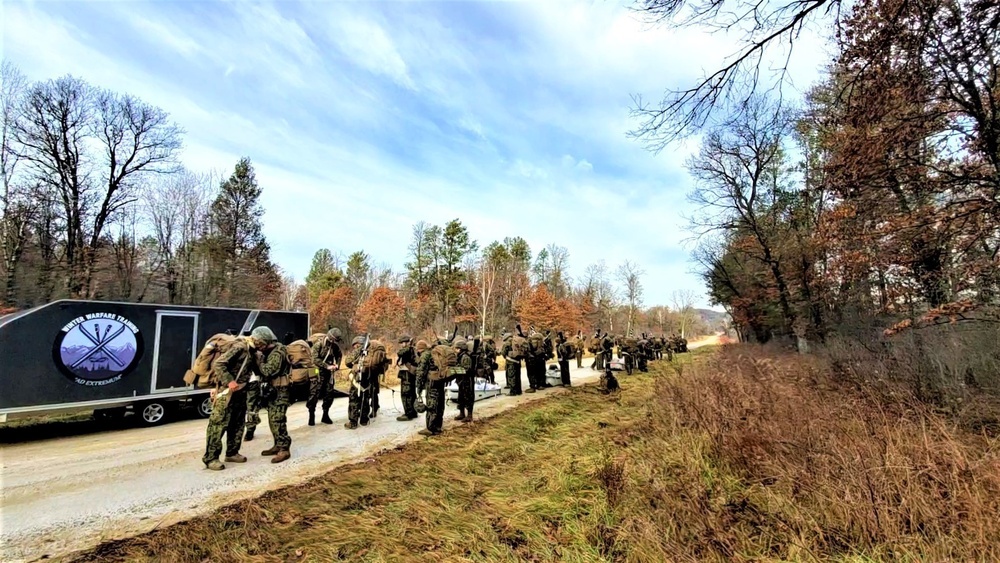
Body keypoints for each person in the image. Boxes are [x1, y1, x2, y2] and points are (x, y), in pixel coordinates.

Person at [202, 326, 271, 471]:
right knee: (218, 425)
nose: (265, 346)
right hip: (226, 392)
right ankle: (211, 458)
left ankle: (232, 452)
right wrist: (229, 381)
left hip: (240, 392)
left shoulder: (253, 352)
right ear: (258, 340)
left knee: (237, 423)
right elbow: (219, 364)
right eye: (264, 343)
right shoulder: (240, 347)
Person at [258, 334, 292, 463]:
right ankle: (278, 444)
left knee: (278, 419)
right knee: (272, 419)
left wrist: (259, 361)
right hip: (274, 390)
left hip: (281, 390)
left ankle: (284, 449)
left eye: (260, 344)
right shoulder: (273, 351)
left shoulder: (278, 352)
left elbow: (268, 371)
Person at [308, 328, 343, 426]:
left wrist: (337, 365)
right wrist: (326, 366)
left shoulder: (334, 346)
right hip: (317, 372)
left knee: (329, 394)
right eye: (333, 340)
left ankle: (325, 415)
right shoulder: (318, 345)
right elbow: (314, 359)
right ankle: (311, 415)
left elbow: (339, 355)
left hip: (329, 374)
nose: (333, 342)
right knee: (314, 394)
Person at [343, 336, 374, 429]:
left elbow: (348, 361)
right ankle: (364, 420)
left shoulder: (358, 351)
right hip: (368, 378)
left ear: (357, 344)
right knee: (365, 398)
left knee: (354, 399)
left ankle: (353, 422)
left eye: (355, 345)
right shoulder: (371, 352)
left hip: (357, 378)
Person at [417, 340, 444, 436]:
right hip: (440, 380)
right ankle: (438, 427)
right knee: (439, 403)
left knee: (431, 404)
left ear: (420, 349)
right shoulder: (435, 353)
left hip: (431, 382)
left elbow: (421, 372)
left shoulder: (425, 355)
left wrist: (418, 387)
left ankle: (430, 428)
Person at [395, 335, 419, 421]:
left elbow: (400, 353)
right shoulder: (412, 349)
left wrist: (408, 344)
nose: (401, 345)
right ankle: (413, 412)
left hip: (407, 375)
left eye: (402, 343)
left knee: (406, 394)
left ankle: (408, 414)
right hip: (410, 374)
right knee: (412, 394)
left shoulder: (409, 349)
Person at [454, 338, 475, 423]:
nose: (455, 350)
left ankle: (469, 415)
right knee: (461, 397)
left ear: (460, 349)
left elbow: (466, 370)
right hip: (461, 380)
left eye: (456, 348)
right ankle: (462, 413)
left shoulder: (465, 357)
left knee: (468, 397)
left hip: (467, 380)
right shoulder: (460, 356)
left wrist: (455, 370)